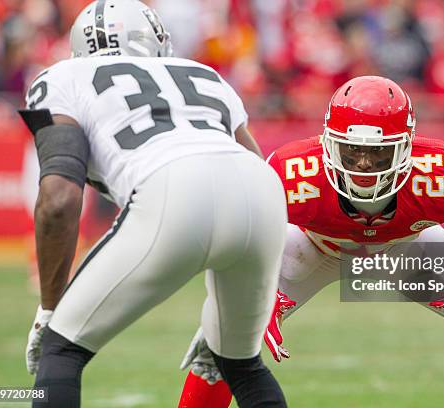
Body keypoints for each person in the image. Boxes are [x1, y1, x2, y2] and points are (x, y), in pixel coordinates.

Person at [177, 76, 444, 407]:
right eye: (351, 149)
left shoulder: (435, 173)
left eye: (378, 150)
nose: (364, 163)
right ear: (328, 142)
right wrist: (258, 291)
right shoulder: (295, 174)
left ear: (406, 147)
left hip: (404, 247)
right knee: (222, 332)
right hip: (313, 247)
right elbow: (247, 229)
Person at [20, 1, 288, 407]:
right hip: (264, 193)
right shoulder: (203, 73)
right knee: (241, 363)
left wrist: (49, 309)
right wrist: (232, 312)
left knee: (61, 349)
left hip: (172, 189)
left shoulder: (62, 77)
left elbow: (59, 199)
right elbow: (253, 171)